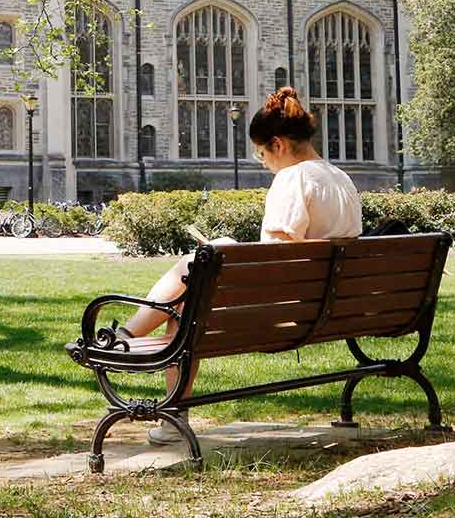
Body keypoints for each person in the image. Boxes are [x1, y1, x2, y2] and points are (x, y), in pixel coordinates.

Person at [116, 87, 360, 441]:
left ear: (278, 144)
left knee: (192, 276)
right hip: (333, 307)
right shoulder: (341, 178)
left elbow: (276, 258)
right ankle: (149, 374)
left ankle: (128, 342)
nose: (263, 163)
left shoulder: (292, 179)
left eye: (262, 154)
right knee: (191, 296)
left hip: (287, 313)